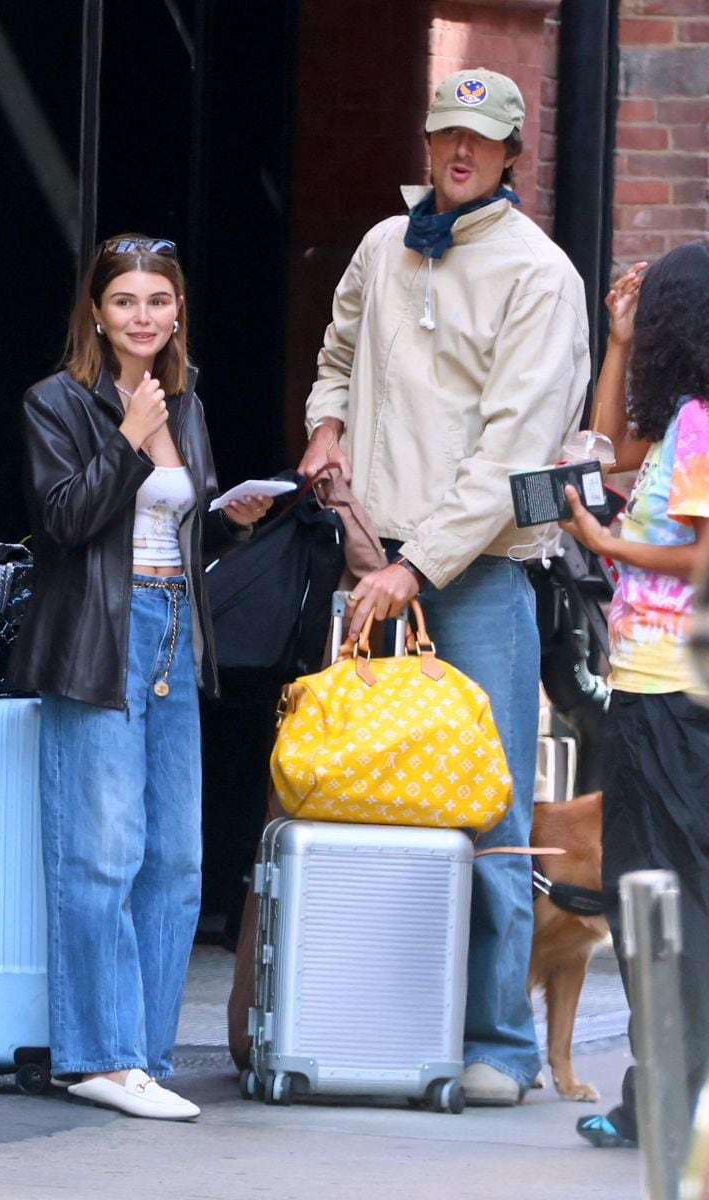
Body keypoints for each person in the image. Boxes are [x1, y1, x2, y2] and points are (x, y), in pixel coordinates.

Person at [298, 68, 591, 1105]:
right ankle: (373, 1020)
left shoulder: (539, 277)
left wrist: (412, 568)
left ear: (515, 155)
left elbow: (514, 455)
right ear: (426, 144)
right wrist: (325, 424)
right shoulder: (384, 247)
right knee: (366, 803)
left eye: (481, 139)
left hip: (469, 583)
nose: (459, 152)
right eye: (445, 135)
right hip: (370, 563)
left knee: (491, 811)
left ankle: (501, 1047)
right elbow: (335, 355)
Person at [8, 234, 273, 1121]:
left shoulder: (187, 406)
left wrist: (229, 518)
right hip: (96, 638)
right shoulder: (56, 403)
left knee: (176, 861)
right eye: (125, 301)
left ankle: (147, 1053)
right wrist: (126, 437)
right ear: (96, 312)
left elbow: (172, 524)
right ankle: (99, 1055)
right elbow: (64, 521)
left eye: (158, 302)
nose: (143, 317)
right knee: (103, 853)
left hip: (169, 632)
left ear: (177, 312)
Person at [558, 241, 709, 1148]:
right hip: (667, 692)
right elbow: (603, 450)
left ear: (683, 326)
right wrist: (616, 342)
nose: (642, 320)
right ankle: (674, 1088)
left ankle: (686, 1096)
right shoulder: (693, 425)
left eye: (649, 312)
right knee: (669, 893)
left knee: (667, 897)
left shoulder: (701, 429)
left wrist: (611, 546)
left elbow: (708, 556)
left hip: (672, 694)